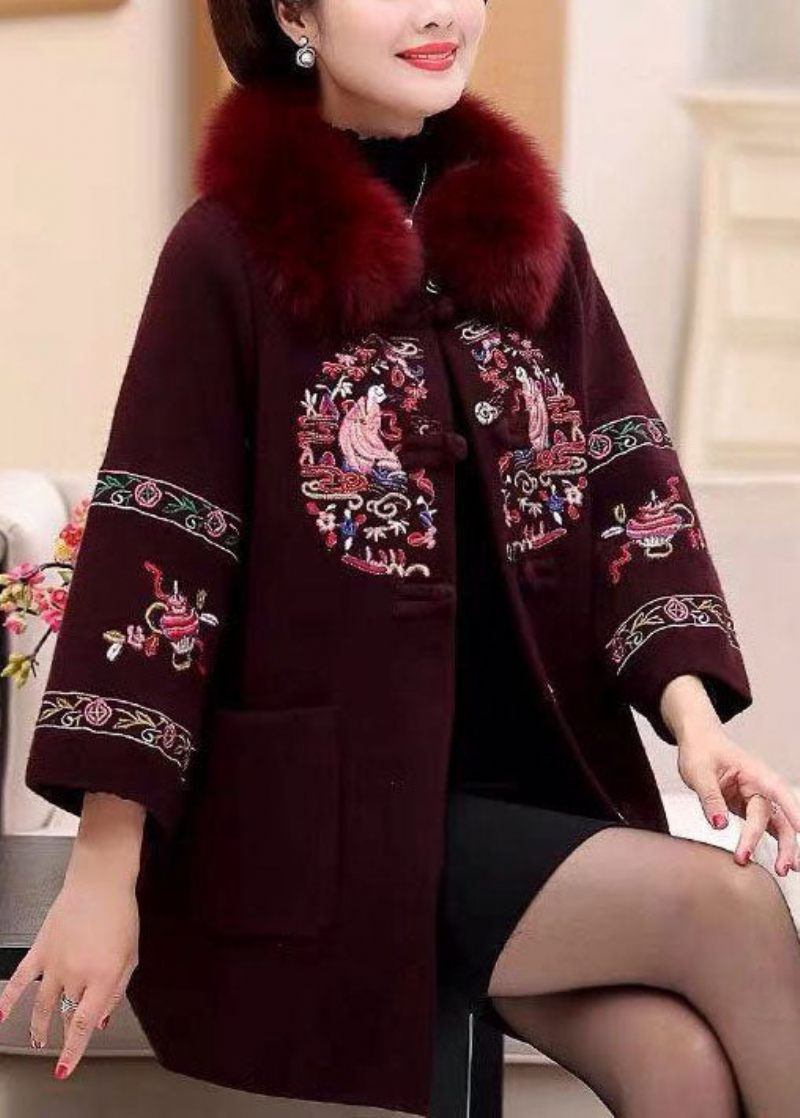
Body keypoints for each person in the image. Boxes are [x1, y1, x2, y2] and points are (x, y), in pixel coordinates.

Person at [3, 1, 800, 1114]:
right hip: (332, 829)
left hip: (534, 798)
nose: (437, 10)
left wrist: (696, 727)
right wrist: (103, 863)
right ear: (293, 10)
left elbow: (629, 494)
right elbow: (163, 543)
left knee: (681, 1070)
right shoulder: (228, 250)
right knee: (730, 905)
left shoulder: (535, 245)